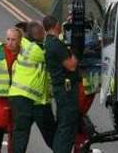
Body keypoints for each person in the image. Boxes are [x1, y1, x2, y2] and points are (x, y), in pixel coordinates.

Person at [8, 21, 56, 153]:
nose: (45, 35)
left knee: (20, 134)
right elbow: (54, 56)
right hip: (28, 98)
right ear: (37, 35)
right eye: (42, 33)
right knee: (49, 134)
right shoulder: (35, 50)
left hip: (24, 97)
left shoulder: (26, 44)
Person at [43, 15, 79, 153]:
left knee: (63, 125)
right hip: (66, 91)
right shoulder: (55, 45)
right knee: (67, 126)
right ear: (55, 25)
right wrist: (77, 53)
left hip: (61, 90)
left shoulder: (49, 42)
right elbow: (71, 66)